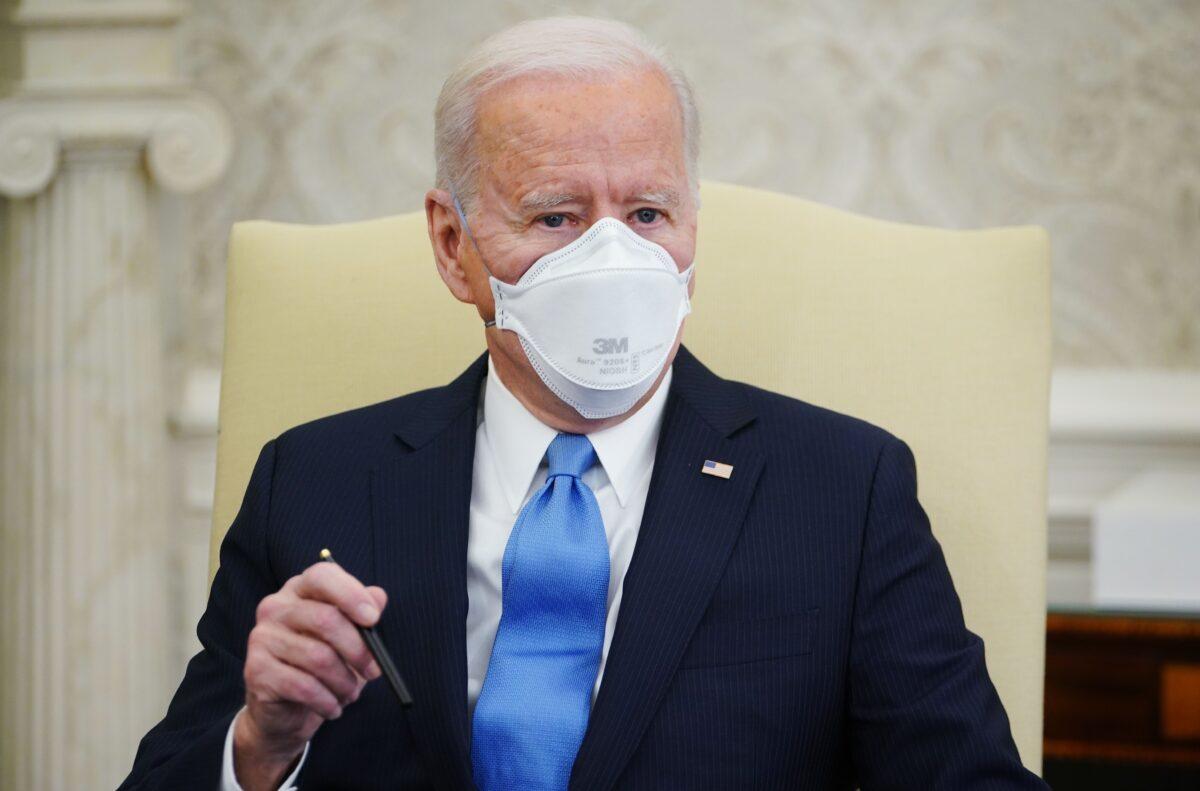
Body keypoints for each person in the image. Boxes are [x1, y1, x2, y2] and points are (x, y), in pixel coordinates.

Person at [120, 16, 1049, 791]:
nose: (614, 261)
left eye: (648, 214)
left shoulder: (842, 492)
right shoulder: (313, 480)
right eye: (557, 216)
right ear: (454, 247)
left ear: (691, 225)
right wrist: (259, 748)